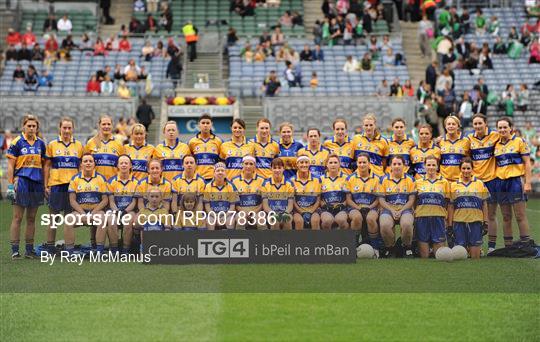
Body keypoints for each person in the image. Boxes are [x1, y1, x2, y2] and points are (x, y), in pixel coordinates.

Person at [6, 115, 47, 259]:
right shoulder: (17, 142)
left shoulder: (41, 144)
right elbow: (10, 166)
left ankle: (29, 251)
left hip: (36, 183)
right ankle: (15, 250)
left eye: (33, 126)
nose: (31, 128)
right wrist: (10, 185)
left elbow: (44, 166)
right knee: (17, 217)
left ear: (37, 128)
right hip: (22, 181)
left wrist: (44, 184)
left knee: (31, 218)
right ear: (23, 126)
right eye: (28, 126)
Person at [43, 118, 83, 253]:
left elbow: (80, 168)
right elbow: (47, 166)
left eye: (69, 128)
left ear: (73, 129)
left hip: (72, 187)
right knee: (53, 218)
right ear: (59, 128)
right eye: (64, 128)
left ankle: (68, 247)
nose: (66, 130)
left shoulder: (78, 146)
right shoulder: (52, 144)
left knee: (69, 218)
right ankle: (50, 247)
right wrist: (45, 185)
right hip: (56, 185)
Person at [493, 118, 532, 248]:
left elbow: (527, 163)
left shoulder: (519, 141)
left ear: (511, 128)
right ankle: (508, 247)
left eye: (505, 127)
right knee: (506, 216)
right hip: (500, 183)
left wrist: (527, 183)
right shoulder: (496, 144)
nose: (502, 130)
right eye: (500, 128)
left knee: (520, 215)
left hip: (515, 181)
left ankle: (526, 245)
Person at [64, 153, 109, 254]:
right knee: (68, 220)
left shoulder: (101, 178)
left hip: (96, 212)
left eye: (90, 161)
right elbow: (72, 200)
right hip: (80, 212)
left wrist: (93, 213)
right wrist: (83, 214)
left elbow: (105, 200)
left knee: (103, 219)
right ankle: (69, 252)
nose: (88, 163)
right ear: (81, 164)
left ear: (94, 164)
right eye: (85, 161)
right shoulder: (75, 178)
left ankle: (99, 251)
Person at [467, 114, 500, 252]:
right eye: (475, 124)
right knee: (473, 214)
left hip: (491, 180)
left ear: (486, 123)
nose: (478, 126)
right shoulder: (469, 139)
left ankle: (491, 247)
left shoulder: (495, 135)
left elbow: (509, 137)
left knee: (491, 215)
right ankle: (475, 246)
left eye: (480, 123)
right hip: (475, 182)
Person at [448, 158, 489, 259]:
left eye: (468, 168)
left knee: (475, 256)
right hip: (459, 222)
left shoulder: (479, 184)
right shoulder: (453, 185)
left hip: (475, 222)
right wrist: (449, 225)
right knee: (460, 255)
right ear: (460, 169)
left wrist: (486, 222)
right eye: (463, 168)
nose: (466, 171)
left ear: (472, 169)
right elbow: (451, 206)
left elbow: (484, 204)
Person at [379, 156, 416, 258]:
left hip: (405, 209)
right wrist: (391, 210)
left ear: (404, 166)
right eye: (394, 164)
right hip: (388, 209)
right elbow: (381, 200)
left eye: (399, 164)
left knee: (407, 224)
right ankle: (391, 248)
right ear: (390, 166)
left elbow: (411, 200)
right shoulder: (383, 179)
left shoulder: (410, 179)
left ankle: (406, 247)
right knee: (384, 225)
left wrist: (401, 210)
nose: (397, 166)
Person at [415, 156, 450, 258]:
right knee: (424, 256)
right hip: (422, 217)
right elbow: (414, 201)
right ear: (424, 166)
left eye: (433, 165)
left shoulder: (444, 182)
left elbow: (447, 202)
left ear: (437, 167)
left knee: (439, 255)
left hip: (438, 217)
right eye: (428, 165)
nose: (431, 167)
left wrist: (446, 217)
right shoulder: (418, 182)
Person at [346, 153, 380, 251]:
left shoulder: (377, 179)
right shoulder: (350, 178)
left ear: (369, 164)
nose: (362, 165)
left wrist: (370, 207)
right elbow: (348, 199)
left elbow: (378, 199)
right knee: (356, 217)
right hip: (355, 207)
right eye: (359, 162)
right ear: (356, 163)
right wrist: (359, 208)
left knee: (371, 219)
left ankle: (375, 248)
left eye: (364, 162)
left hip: (372, 207)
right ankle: (354, 246)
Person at [107, 154, 138, 254]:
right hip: (115, 209)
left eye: (126, 163)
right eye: (121, 163)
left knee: (128, 220)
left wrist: (124, 212)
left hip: (129, 210)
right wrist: (117, 212)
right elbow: (111, 201)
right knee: (111, 221)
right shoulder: (111, 181)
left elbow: (134, 202)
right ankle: (114, 250)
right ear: (118, 166)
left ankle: (125, 250)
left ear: (130, 166)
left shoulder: (136, 182)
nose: (124, 165)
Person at [84, 115, 125, 181]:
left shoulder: (119, 144)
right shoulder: (90, 143)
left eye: (109, 124)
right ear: (99, 125)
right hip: (95, 183)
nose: (106, 126)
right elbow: (84, 164)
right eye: (103, 124)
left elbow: (123, 165)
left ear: (112, 126)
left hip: (113, 184)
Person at [231, 156, 266, 230]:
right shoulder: (234, 181)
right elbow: (235, 203)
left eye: (251, 164)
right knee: (241, 220)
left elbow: (264, 202)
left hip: (257, 212)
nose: (248, 166)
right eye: (246, 163)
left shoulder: (262, 180)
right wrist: (244, 213)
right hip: (241, 212)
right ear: (242, 165)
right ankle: (241, 241)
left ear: (255, 166)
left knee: (261, 220)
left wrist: (254, 212)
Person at [203, 163, 238, 230]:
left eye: (222, 170)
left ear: (225, 173)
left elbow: (232, 207)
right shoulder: (208, 186)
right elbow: (207, 206)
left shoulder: (231, 186)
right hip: (213, 214)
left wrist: (225, 216)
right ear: (214, 173)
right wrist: (215, 216)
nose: (220, 172)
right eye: (218, 170)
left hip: (227, 214)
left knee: (230, 221)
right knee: (209, 221)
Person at [261, 158, 294, 230]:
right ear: (271, 169)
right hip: (270, 212)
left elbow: (290, 205)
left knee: (287, 219)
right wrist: (273, 213)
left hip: (286, 212)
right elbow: (265, 205)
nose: (277, 170)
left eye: (279, 168)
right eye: (274, 168)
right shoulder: (265, 184)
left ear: (283, 168)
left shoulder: (289, 184)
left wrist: (285, 213)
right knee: (275, 220)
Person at [188, 114, 223, 181]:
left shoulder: (218, 141)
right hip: (197, 178)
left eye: (208, 123)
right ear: (199, 125)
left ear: (211, 124)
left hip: (213, 179)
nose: (205, 125)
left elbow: (221, 161)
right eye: (203, 123)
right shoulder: (192, 142)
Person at [291, 156, 321, 230]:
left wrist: (311, 212)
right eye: (301, 162)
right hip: (297, 210)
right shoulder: (291, 180)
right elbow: (292, 200)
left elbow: (318, 199)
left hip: (313, 210)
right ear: (297, 164)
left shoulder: (317, 180)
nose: (304, 165)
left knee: (315, 220)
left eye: (306, 162)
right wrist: (301, 212)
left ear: (309, 164)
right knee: (299, 221)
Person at [439, 116, 470, 182]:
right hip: (444, 180)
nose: (451, 126)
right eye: (449, 124)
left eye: (453, 124)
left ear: (458, 126)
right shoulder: (440, 141)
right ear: (445, 126)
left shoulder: (466, 141)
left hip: (460, 180)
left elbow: (469, 159)